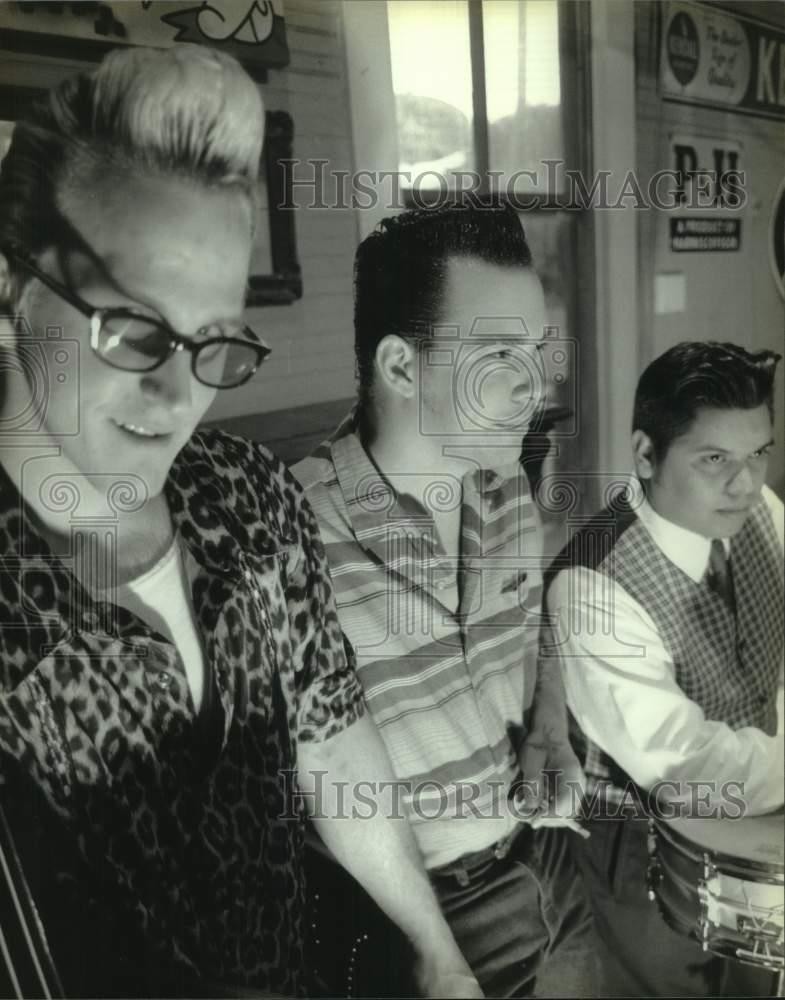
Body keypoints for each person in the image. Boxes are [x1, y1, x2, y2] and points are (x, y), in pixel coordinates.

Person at [0, 45, 481, 998]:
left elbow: (330, 736)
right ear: (12, 294)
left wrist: (434, 946)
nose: (178, 394)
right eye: (132, 328)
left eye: (214, 339)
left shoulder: (245, 491)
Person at [294, 205, 596, 999]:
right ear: (400, 367)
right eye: (498, 355)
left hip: (546, 860)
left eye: (535, 351)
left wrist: (551, 729)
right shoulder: (292, 535)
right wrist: (433, 951)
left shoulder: (504, 487)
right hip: (416, 920)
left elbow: (534, 625)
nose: (535, 386)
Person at [544, 341, 784, 996]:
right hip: (642, 859)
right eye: (714, 460)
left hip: (760, 831)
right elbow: (687, 773)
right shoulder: (591, 585)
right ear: (646, 453)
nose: (746, 481)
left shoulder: (757, 510)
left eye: (758, 452)